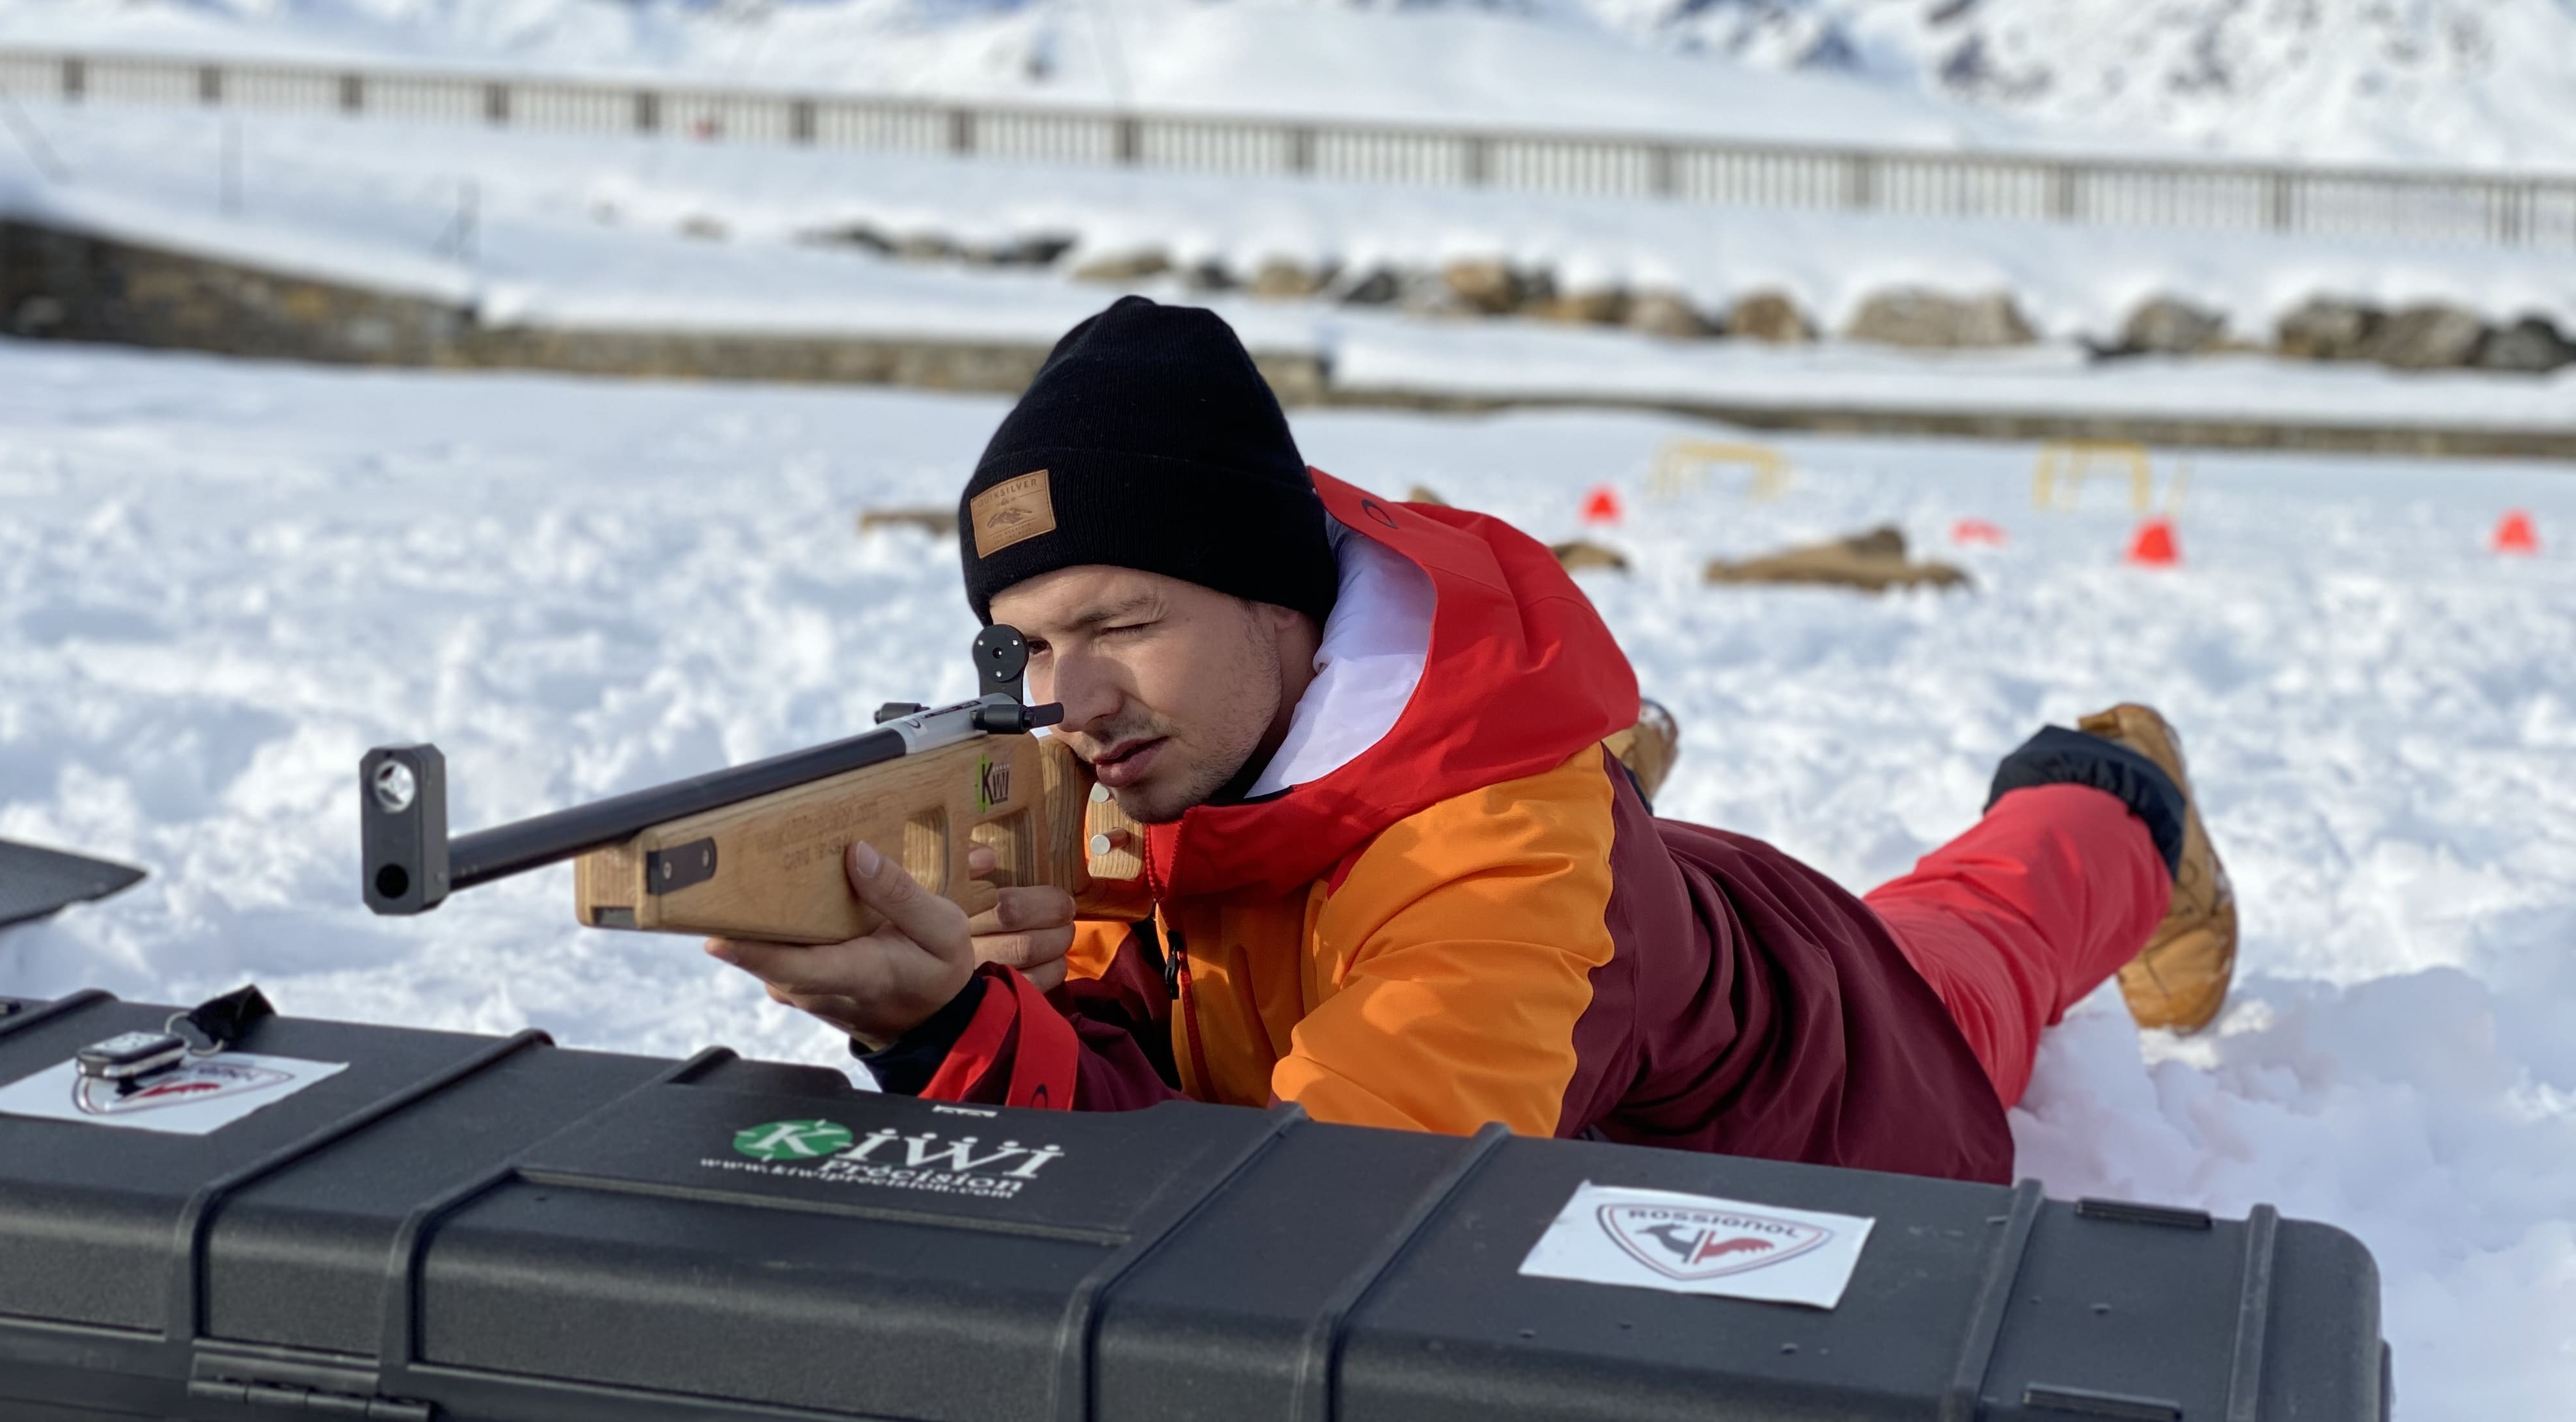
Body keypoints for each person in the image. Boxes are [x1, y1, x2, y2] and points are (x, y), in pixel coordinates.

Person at [708, 296, 2237, 1182]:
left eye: (1120, 626)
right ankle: (1591, 784)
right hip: (1551, 904)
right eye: (1032, 646)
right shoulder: (1141, 756)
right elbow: (1140, 1091)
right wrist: (988, 1010)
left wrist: (950, 1040)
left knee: (1980, 939)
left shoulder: (1502, 874)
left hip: (1817, 1048)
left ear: (1286, 607)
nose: (1074, 698)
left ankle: (2114, 790)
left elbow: (1319, 1223)